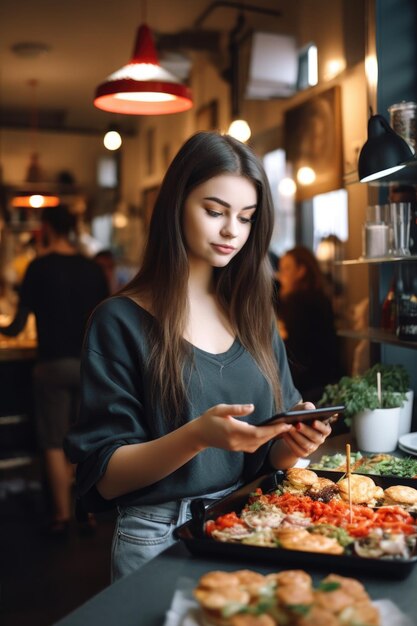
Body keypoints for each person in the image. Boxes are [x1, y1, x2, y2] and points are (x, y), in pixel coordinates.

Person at [64, 131, 332, 581]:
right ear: (176, 206)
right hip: (159, 536)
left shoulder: (254, 313)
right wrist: (198, 436)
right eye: (214, 212)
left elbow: (271, 456)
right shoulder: (119, 320)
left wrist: (291, 444)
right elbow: (106, 476)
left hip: (251, 522)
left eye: (246, 218)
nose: (232, 231)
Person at [0, 205, 109, 535]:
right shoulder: (92, 269)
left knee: (52, 440)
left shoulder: (38, 267)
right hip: (89, 365)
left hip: (51, 365)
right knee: (84, 438)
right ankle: (86, 512)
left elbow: (18, 325)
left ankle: (61, 515)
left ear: (46, 228)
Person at [276, 245, 342, 403]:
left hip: (308, 386)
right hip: (327, 380)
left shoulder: (297, 302)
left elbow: (295, 351)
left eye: (286, 269)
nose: (280, 275)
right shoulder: (320, 298)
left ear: (301, 271)